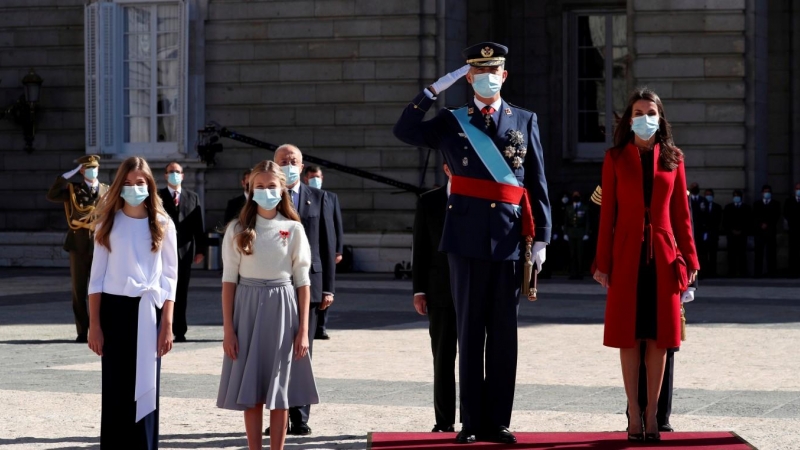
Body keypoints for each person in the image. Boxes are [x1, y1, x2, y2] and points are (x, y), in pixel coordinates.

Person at [394, 42, 551, 444]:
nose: (486, 77)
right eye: (478, 72)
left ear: (504, 75)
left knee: (503, 333)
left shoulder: (524, 119)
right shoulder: (451, 119)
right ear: (468, 78)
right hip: (463, 238)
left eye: (493, 70)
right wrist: (430, 92)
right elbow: (405, 131)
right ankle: (471, 422)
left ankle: (497, 420)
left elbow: (536, 180)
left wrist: (542, 237)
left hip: (509, 237)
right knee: (469, 330)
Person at [593, 88, 699, 442]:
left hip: (665, 256)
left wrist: (691, 258)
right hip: (626, 256)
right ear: (629, 118)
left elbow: (682, 215)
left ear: (660, 116)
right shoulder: (614, 158)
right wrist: (601, 262)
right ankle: (633, 414)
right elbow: (607, 215)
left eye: (650, 111)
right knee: (629, 336)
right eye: (638, 111)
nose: (644, 117)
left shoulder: (674, 159)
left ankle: (654, 415)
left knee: (659, 339)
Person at [217, 160, 319, 450]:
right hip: (246, 308)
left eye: (271, 186)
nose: (265, 191)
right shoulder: (237, 228)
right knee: (252, 387)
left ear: (282, 188)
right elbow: (228, 281)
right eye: (259, 186)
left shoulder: (293, 228)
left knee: (280, 387)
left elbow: (302, 280)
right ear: (249, 189)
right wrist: (228, 329)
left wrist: (302, 331)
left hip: (283, 308)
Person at [86, 156, 178, 448]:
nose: (134, 188)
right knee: (115, 389)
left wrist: (167, 324)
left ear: (150, 185)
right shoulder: (108, 223)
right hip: (114, 312)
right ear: (118, 186)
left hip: (149, 311)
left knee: (146, 387)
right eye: (127, 183)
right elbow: (96, 279)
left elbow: (170, 279)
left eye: (140, 182)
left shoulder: (163, 224)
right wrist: (94, 325)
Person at [266, 144, 335, 436]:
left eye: (293, 160)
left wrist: (329, 288)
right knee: (275, 352)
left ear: (303, 164)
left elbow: (328, 245)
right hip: (274, 284)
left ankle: (300, 416)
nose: (288, 164)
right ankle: (279, 415)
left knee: (302, 350)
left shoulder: (320, 198)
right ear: (274, 164)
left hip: (310, 283)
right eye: (283, 161)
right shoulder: (266, 198)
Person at [412, 163, 458, 433]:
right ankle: (444, 421)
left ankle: (473, 419)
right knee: (442, 359)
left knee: (474, 360)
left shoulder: (478, 199)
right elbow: (420, 247)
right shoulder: (429, 201)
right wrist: (419, 290)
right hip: (440, 292)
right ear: (445, 168)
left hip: (473, 293)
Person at [46, 154, 109, 343]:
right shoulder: (73, 190)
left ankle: (102, 329)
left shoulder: (107, 190)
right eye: (88, 168)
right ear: (81, 171)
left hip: (100, 245)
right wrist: (66, 176)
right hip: (79, 245)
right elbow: (52, 195)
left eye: (95, 167)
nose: (92, 171)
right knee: (79, 290)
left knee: (102, 290)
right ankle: (83, 331)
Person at [158, 162, 206, 342]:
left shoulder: (192, 197)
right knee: (163, 289)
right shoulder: (158, 196)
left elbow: (198, 225)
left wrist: (200, 250)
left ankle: (180, 329)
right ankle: (162, 326)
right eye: (171, 172)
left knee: (181, 291)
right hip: (163, 251)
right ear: (165, 175)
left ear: (183, 175)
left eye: (177, 172)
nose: (174, 175)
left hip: (185, 252)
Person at [302, 165, 344, 340]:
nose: (315, 179)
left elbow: (336, 226)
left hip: (323, 249)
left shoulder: (329, 197)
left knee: (323, 291)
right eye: (312, 176)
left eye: (318, 176)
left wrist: (337, 249)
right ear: (306, 178)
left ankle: (322, 325)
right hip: (308, 249)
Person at [752, 184, 781, 278]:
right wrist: (761, 224)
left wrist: (767, 224)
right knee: (758, 253)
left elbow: (776, 216)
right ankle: (758, 272)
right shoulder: (757, 204)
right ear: (762, 193)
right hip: (759, 232)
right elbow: (754, 217)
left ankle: (771, 272)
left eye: (768, 191)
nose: (766, 193)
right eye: (765, 191)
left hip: (770, 231)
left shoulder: (776, 204)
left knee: (771, 253)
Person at [722, 190, 751, 277]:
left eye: (738, 195)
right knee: (731, 254)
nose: (736, 197)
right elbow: (725, 221)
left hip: (742, 234)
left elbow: (748, 221)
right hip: (731, 234)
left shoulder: (746, 208)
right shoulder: (728, 207)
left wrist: (742, 230)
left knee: (742, 253)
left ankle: (743, 272)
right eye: (734, 195)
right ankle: (731, 271)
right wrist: (731, 230)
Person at [564, 191, 591, 280]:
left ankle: (580, 273)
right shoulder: (569, 208)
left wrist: (586, 233)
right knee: (572, 254)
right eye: (574, 195)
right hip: (571, 232)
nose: (575, 197)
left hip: (581, 232)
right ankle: (572, 273)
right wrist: (565, 233)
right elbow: (566, 222)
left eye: (577, 195)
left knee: (580, 254)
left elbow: (587, 222)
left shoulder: (584, 208)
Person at [700, 189, 722, 278]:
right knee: (703, 254)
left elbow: (718, 220)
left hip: (713, 233)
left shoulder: (717, 207)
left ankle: (713, 272)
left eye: (710, 195)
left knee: (713, 254)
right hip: (703, 233)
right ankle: (704, 272)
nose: (708, 196)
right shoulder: (700, 206)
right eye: (706, 195)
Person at [784, 182, 800, 277]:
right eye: (797, 189)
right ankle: (793, 270)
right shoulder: (789, 201)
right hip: (793, 229)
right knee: (793, 250)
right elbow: (786, 213)